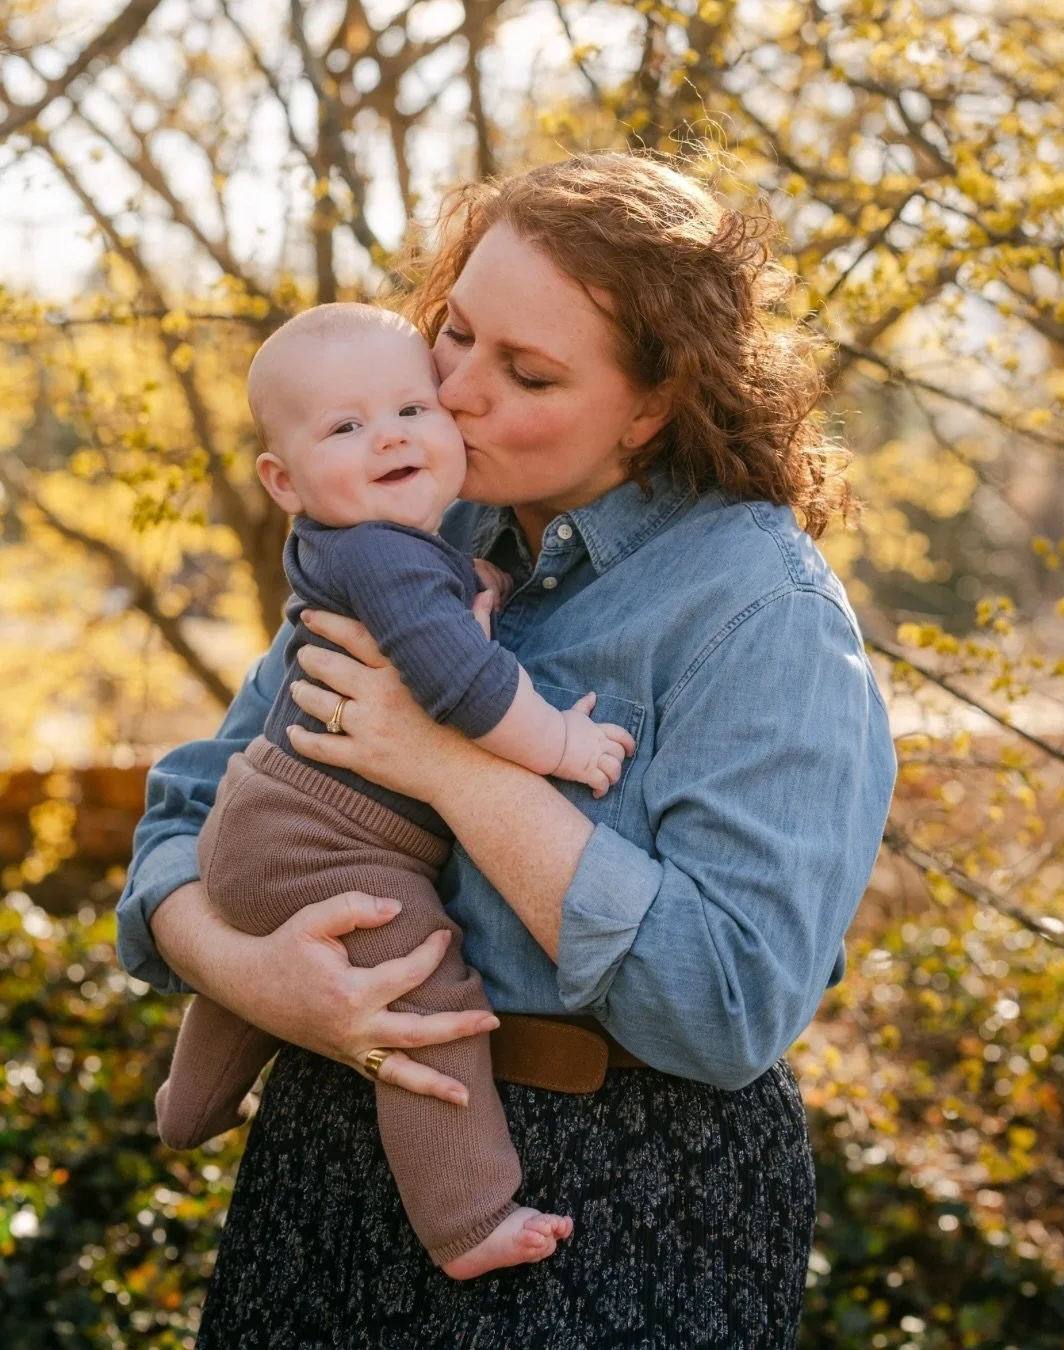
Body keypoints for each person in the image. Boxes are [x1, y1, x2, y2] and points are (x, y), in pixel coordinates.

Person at [117, 151, 897, 1347]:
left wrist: (450, 765)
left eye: (525, 371)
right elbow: (187, 816)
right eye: (455, 332)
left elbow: (729, 1009)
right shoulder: (408, 519)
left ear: (656, 403)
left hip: (611, 1202)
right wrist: (253, 976)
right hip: (331, 1159)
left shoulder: (761, 615)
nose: (455, 391)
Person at [155, 300, 635, 1277]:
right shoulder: (385, 556)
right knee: (425, 1000)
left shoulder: (362, 545)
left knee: (267, 951)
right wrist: (563, 746)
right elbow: (464, 687)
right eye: (346, 427)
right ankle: (464, 1218)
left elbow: (440, 611)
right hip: (334, 847)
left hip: (264, 832)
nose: (392, 438)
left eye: (413, 409)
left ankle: (186, 1108)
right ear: (283, 480)